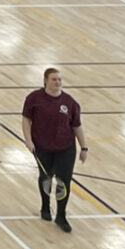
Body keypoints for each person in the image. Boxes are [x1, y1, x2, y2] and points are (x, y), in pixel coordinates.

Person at [21, 67, 87, 232]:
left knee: (63, 182)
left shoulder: (70, 102)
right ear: (45, 81)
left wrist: (83, 147)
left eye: (59, 79)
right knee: (46, 178)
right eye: (54, 79)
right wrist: (28, 140)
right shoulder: (34, 98)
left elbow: (77, 126)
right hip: (42, 147)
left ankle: (61, 215)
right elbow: (26, 120)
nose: (57, 82)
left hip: (66, 148)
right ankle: (45, 207)